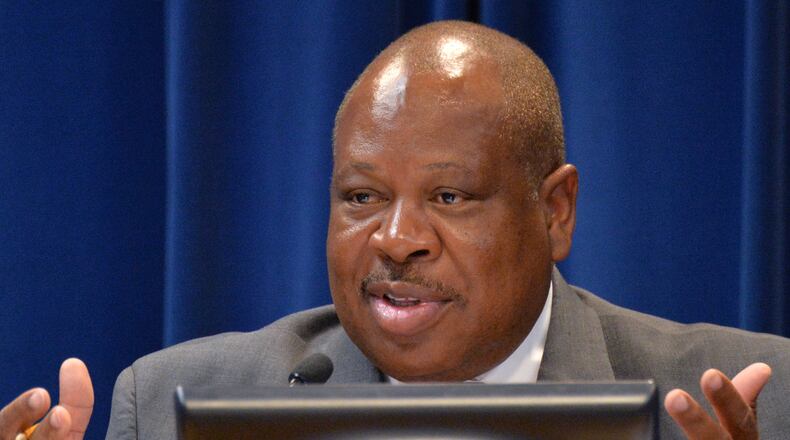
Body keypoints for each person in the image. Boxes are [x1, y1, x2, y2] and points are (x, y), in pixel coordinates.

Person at [1, 20, 788, 440]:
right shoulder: (175, 405)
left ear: (555, 212)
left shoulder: (754, 402)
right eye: (362, 197)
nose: (395, 238)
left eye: (448, 196)